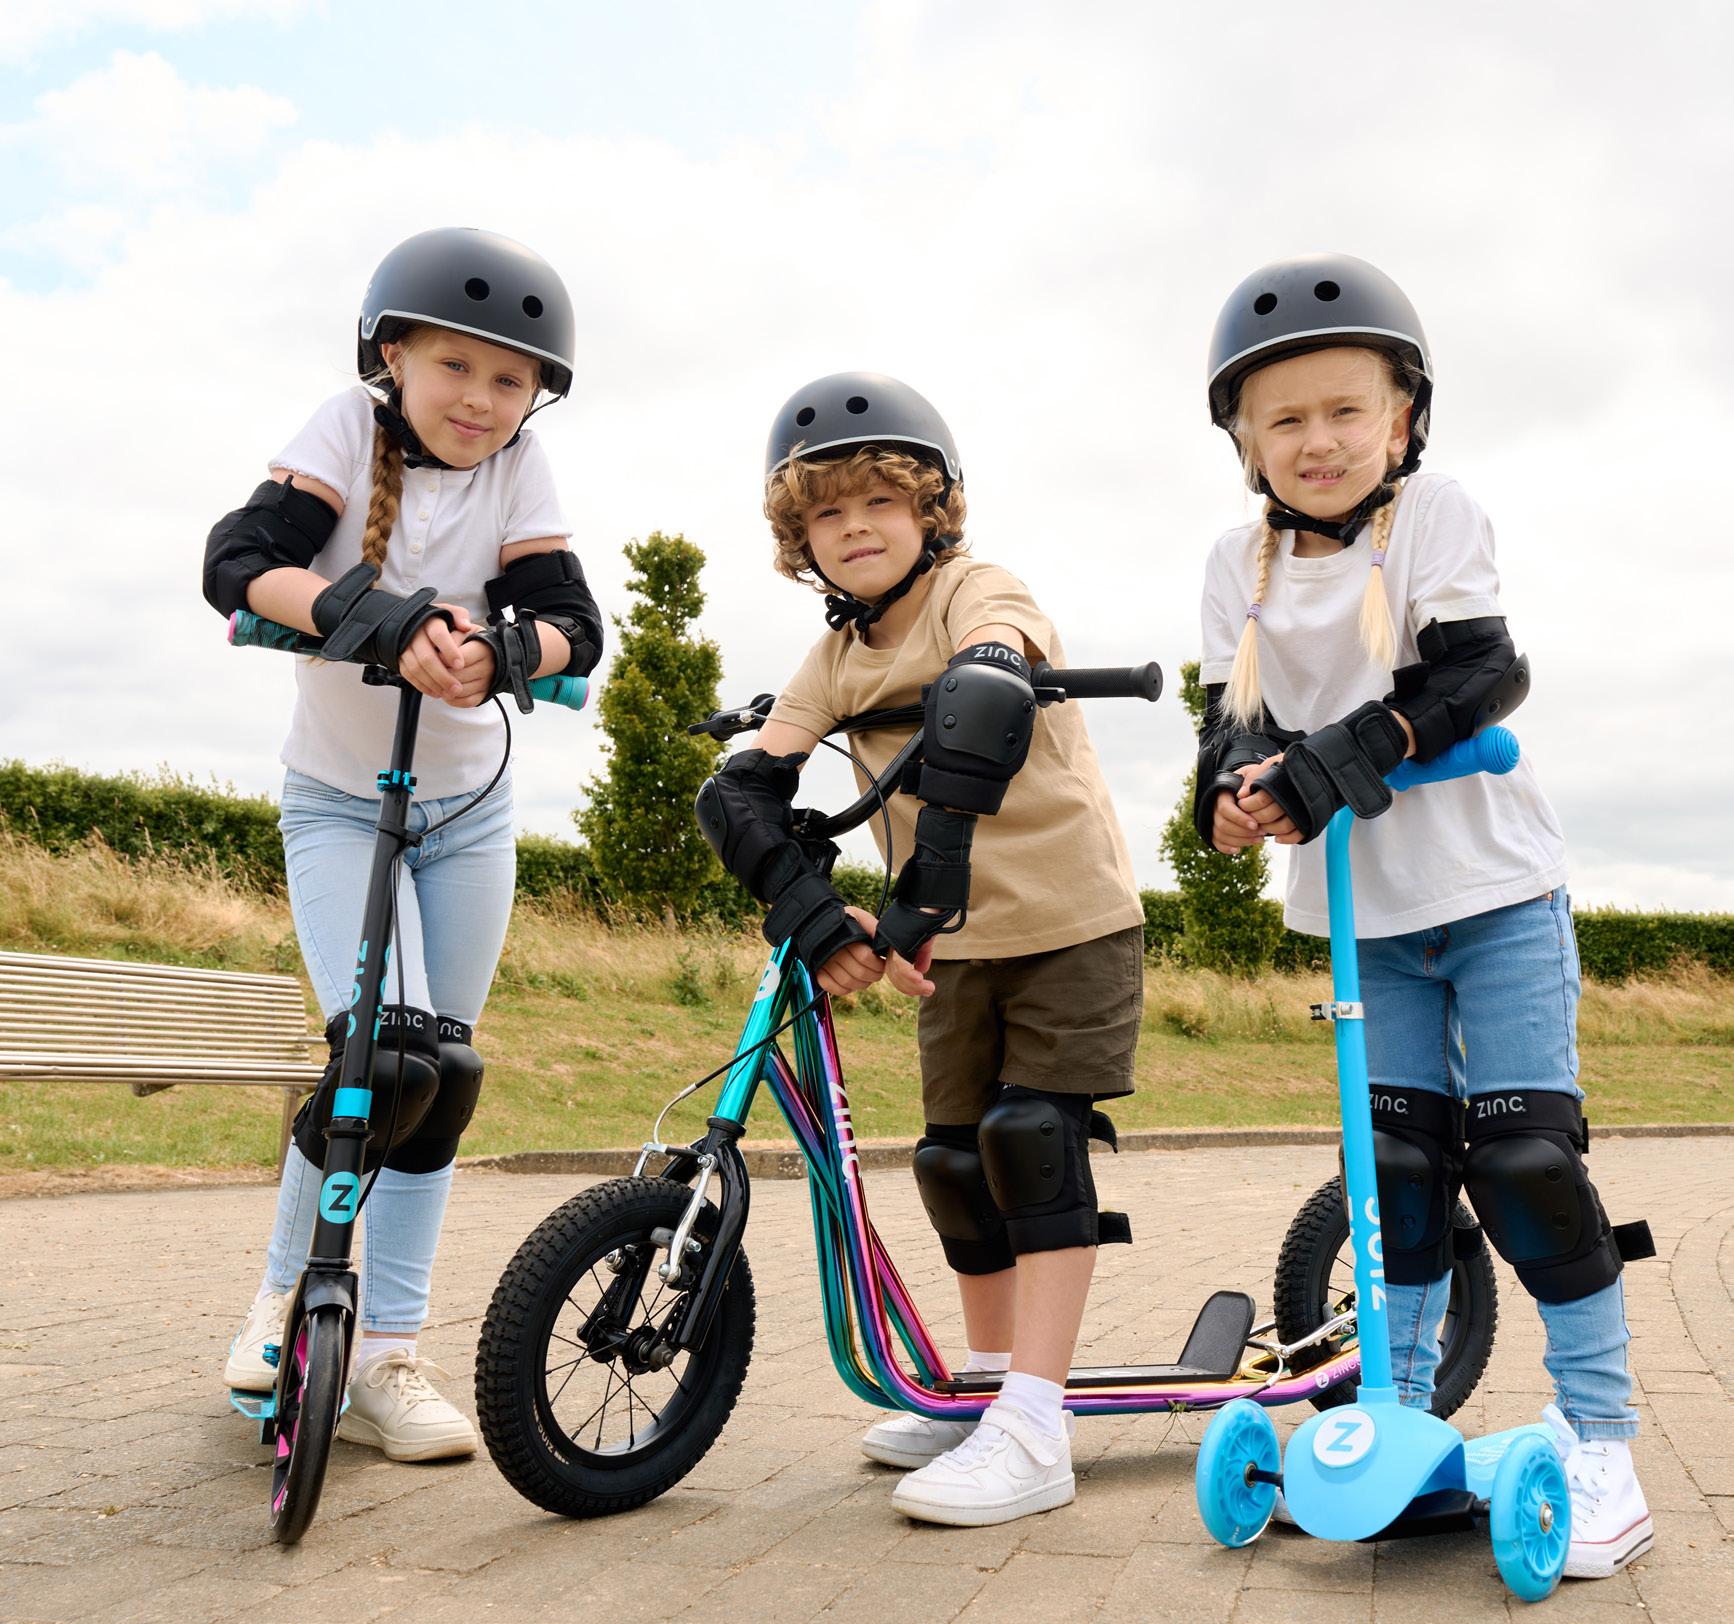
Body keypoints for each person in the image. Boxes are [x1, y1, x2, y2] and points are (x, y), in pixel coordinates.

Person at [1193, 254, 1653, 1578]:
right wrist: (1232, 796)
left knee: (1523, 1165)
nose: (1318, 439)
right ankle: (1387, 1422)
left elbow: (1479, 675)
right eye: (1285, 419)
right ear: (1245, 443)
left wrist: (1334, 761)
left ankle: (1599, 1441)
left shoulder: (1432, 516)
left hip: (1496, 890)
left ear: (1401, 420)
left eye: (1346, 409)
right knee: (1391, 1173)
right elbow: (1230, 729)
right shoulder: (1235, 566)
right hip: (1368, 917)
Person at [697, 372, 1146, 1527]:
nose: (854, 526)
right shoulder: (837, 656)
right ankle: (983, 1392)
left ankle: (1036, 1426)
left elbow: (990, 680)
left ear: (931, 509)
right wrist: (815, 915)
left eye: (879, 501)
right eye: (826, 512)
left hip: (1069, 920)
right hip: (955, 948)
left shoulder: (974, 590)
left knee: (1030, 1141)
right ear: (801, 540)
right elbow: (744, 791)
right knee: (955, 1162)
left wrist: (921, 889)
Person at [201, 226, 603, 1462]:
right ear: (393, 360)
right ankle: (281, 1301)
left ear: (535, 397)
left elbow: (574, 623)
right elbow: (240, 563)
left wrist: (502, 652)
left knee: (446, 1074)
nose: (480, 399)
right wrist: (373, 616)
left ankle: (387, 1355)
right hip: (338, 799)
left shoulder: (519, 469)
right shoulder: (347, 428)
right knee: (380, 1057)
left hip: (469, 814)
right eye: (454, 366)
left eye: (509, 379)